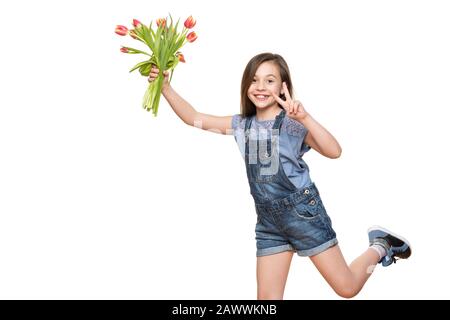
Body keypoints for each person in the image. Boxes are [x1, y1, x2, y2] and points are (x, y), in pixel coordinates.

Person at [148, 52, 411, 299]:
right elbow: (193, 118)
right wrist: (165, 87)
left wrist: (305, 118)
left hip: (303, 215)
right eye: (254, 80)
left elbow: (334, 151)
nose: (260, 86)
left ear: (283, 86)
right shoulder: (241, 125)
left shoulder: (293, 124)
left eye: (269, 80)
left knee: (347, 288)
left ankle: (380, 246)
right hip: (268, 223)